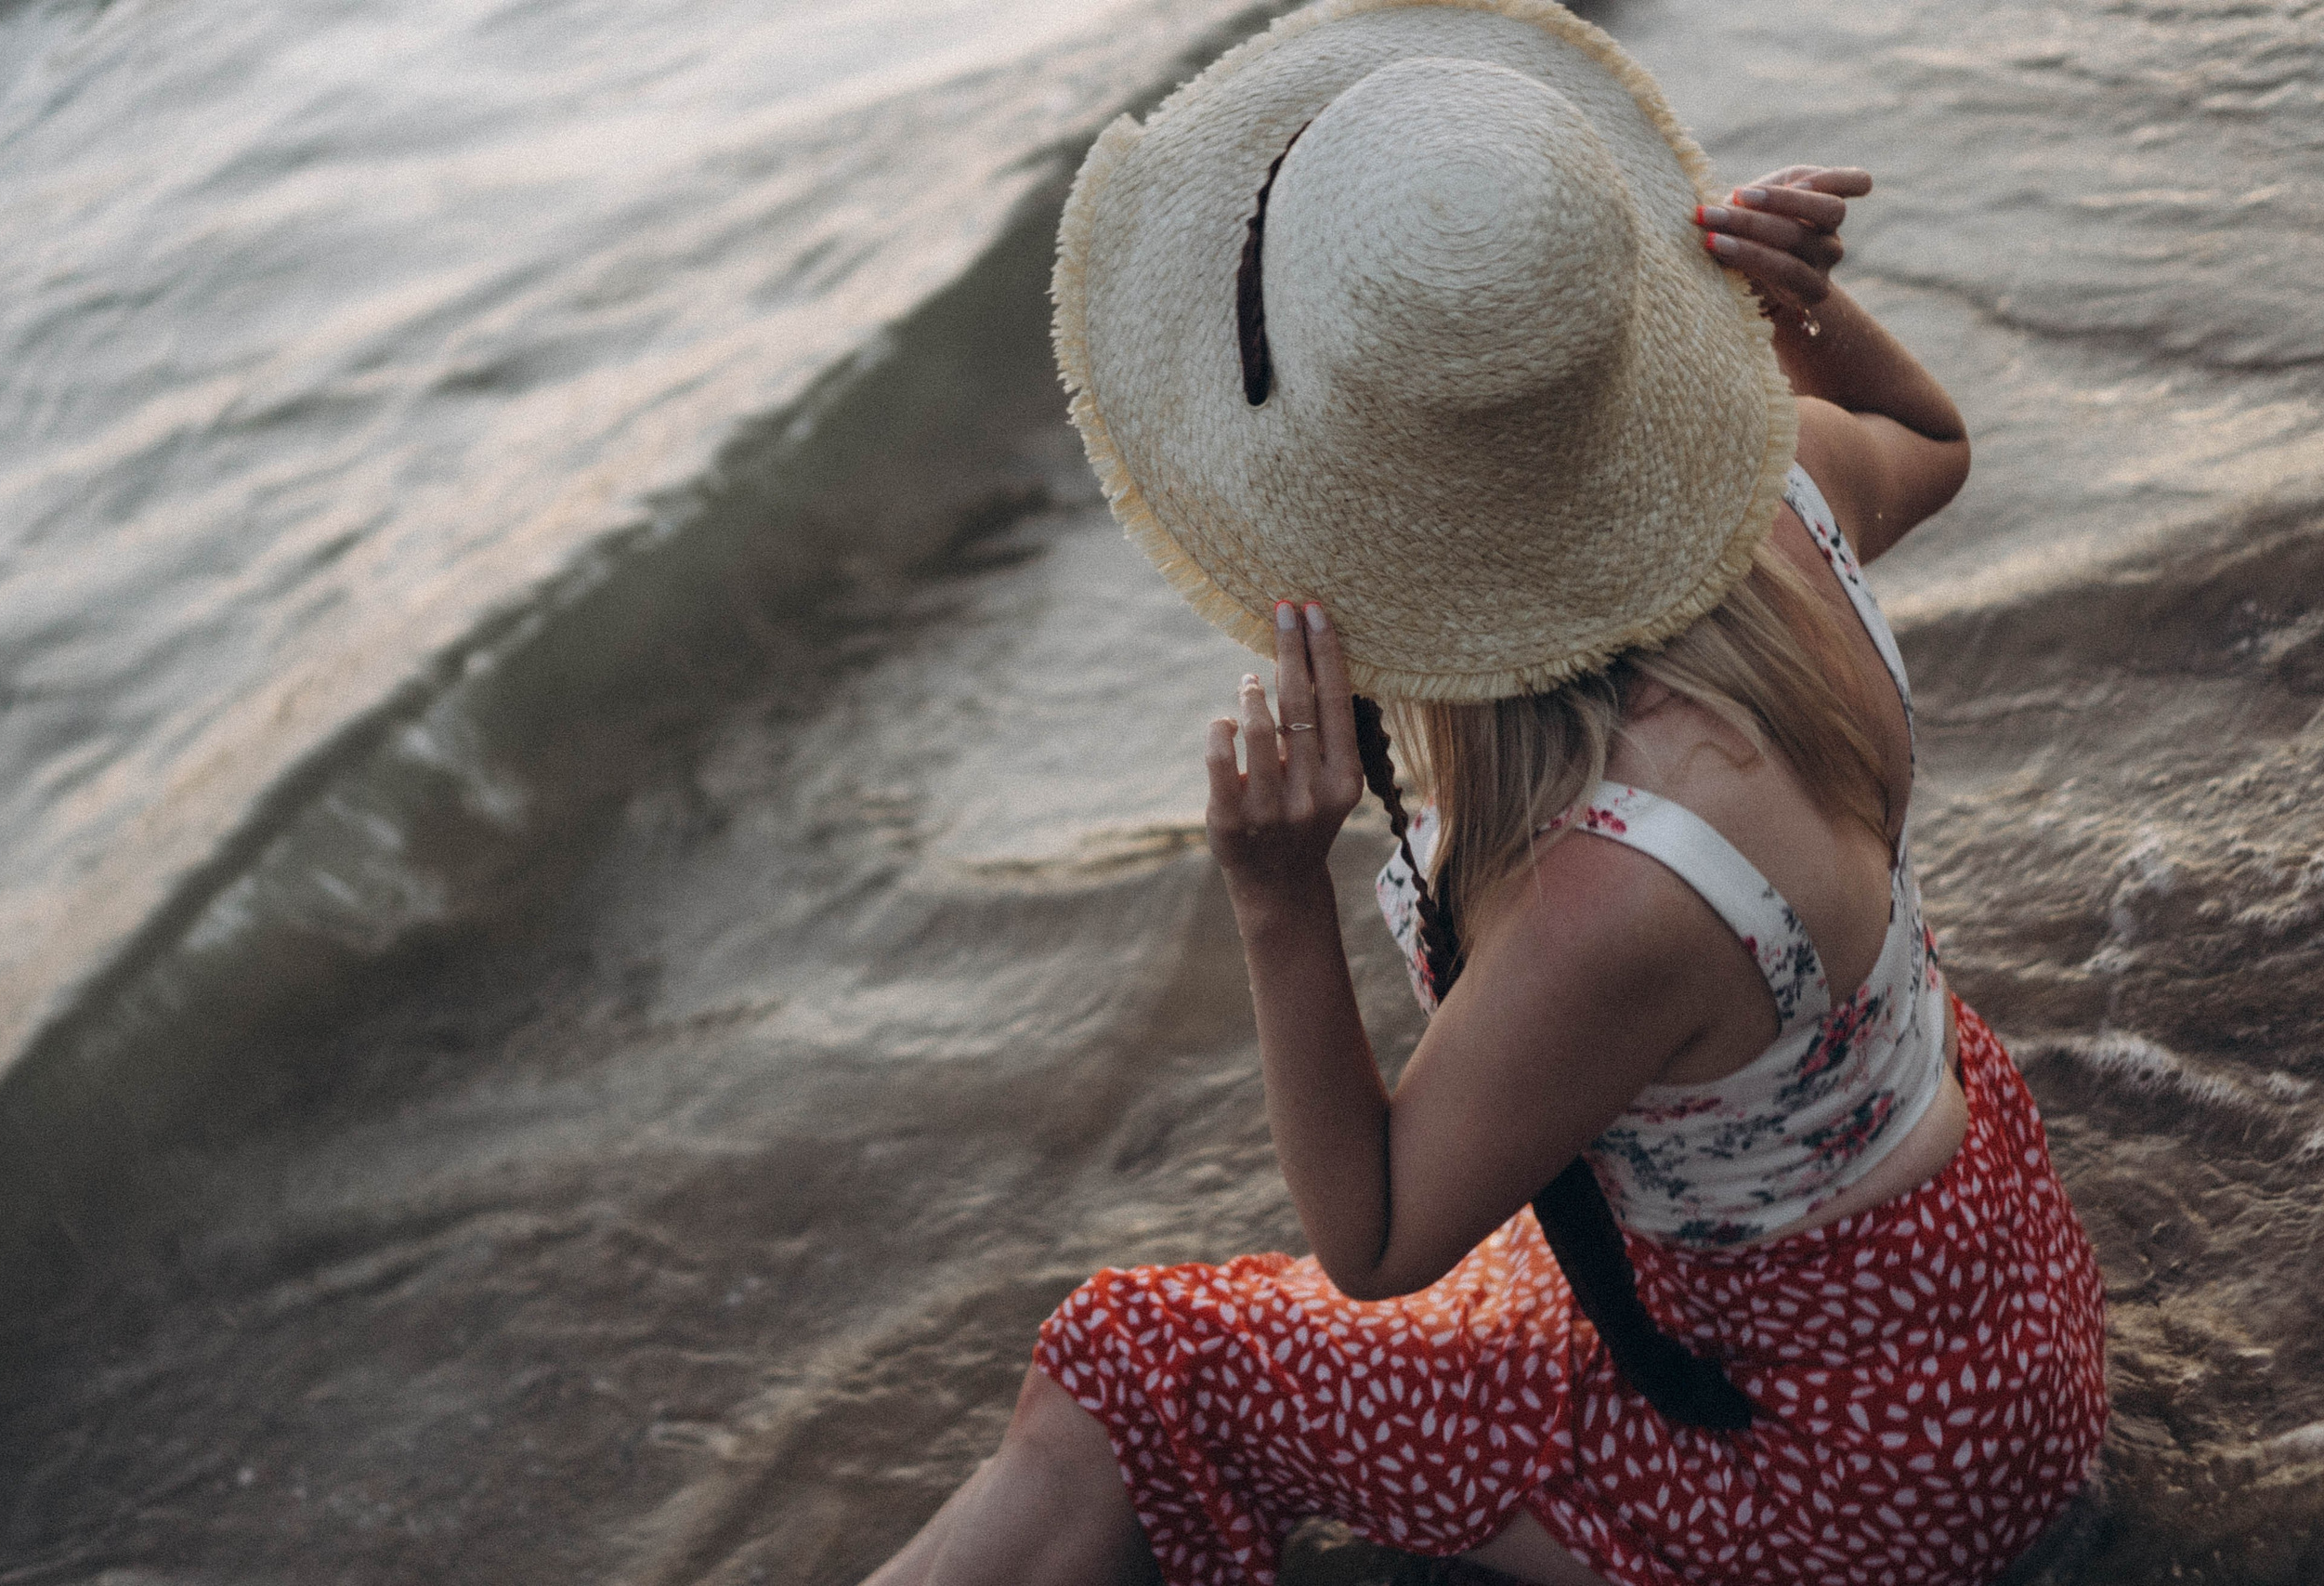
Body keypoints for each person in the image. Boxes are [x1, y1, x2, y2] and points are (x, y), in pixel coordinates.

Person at [862, 3, 2106, 1582]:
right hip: (1968, 1289)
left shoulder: (1616, 891)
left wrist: (1275, 900)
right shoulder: (1785, 495)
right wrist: (1796, 312)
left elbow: (1374, 1241)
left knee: (1130, 1363)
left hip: (1844, 1464)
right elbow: (1935, 436)